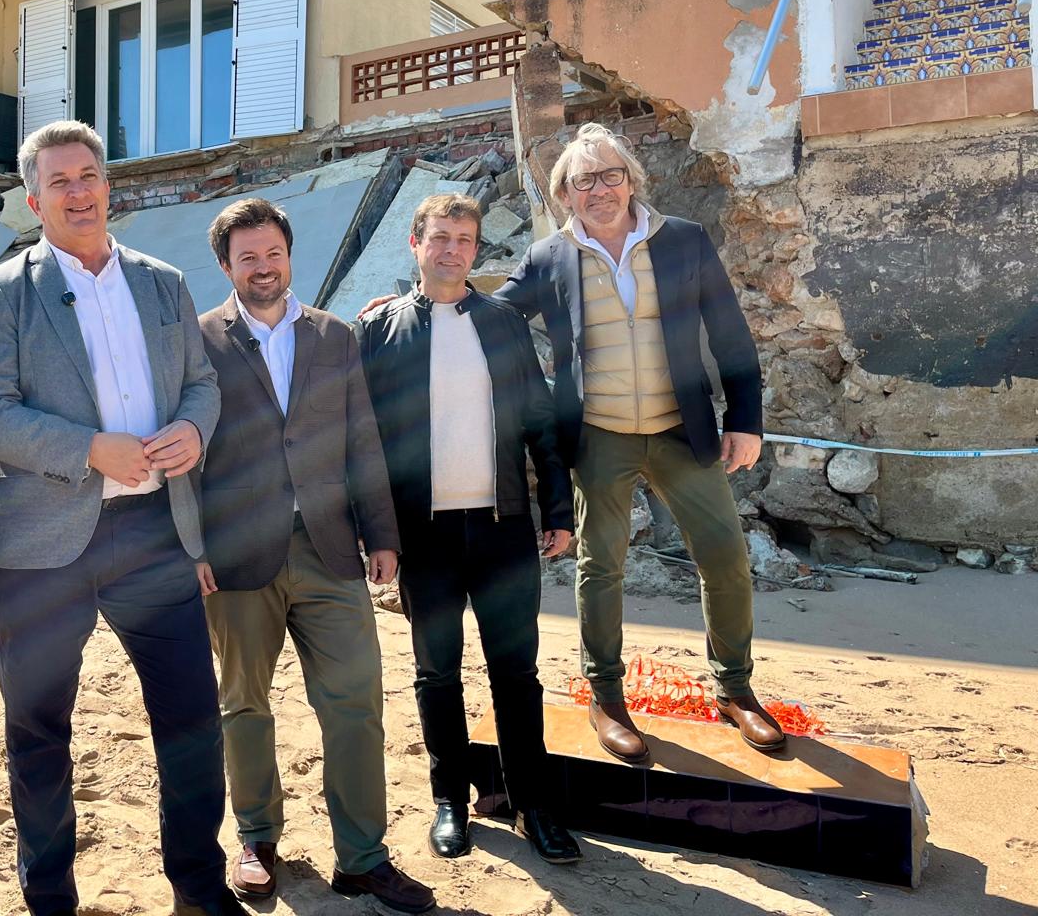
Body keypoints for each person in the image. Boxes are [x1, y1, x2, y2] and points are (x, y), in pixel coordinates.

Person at [0, 121, 237, 916]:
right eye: (60, 181)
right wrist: (90, 450)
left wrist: (193, 428)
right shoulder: (4, 291)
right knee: (40, 731)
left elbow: (201, 387)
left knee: (190, 719)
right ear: (33, 198)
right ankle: (50, 896)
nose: (78, 192)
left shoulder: (162, 282)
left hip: (154, 532)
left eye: (89, 175)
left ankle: (198, 884)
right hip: (40, 546)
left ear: (108, 184)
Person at [497, 122, 784, 762]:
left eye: (610, 175)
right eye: (583, 180)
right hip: (598, 434)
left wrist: (746, 418)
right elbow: (496, 315)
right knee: (602, 567)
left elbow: (731, 337)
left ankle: (735, 689)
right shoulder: (550, 258)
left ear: (631, 179)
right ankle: (605, 695)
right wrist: (421, 302)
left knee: (725, 557)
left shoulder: (683, 240)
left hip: (680, 430)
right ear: (564, 194)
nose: (599, 189)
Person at [196, 198, 435, 913]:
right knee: (244, 705)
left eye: (273, 254)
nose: (263, 268)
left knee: (357, 704)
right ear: (226, 266)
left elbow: (363, 437)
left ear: (289, 255)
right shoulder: (198, 339)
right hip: (237, 558)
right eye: (248, 258)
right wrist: (190, 550)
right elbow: (187, 456)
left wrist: (383, 534)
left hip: (331, 549)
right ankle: (257, 840)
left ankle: (362, 857)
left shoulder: (334, 336)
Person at [356, 193, 581, 865]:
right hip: (423, 536)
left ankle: (532, 805)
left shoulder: (504, 322)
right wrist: (377, 535)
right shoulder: (380, 328)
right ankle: (451, 800)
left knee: (517, 675)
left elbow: (540, 420)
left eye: (465, 239)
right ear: (415, 245)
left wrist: (560, 512)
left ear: (476, 250)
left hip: (503, 529)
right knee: (437, 674)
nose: (453, 249)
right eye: (440, 237)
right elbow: (361, 439)